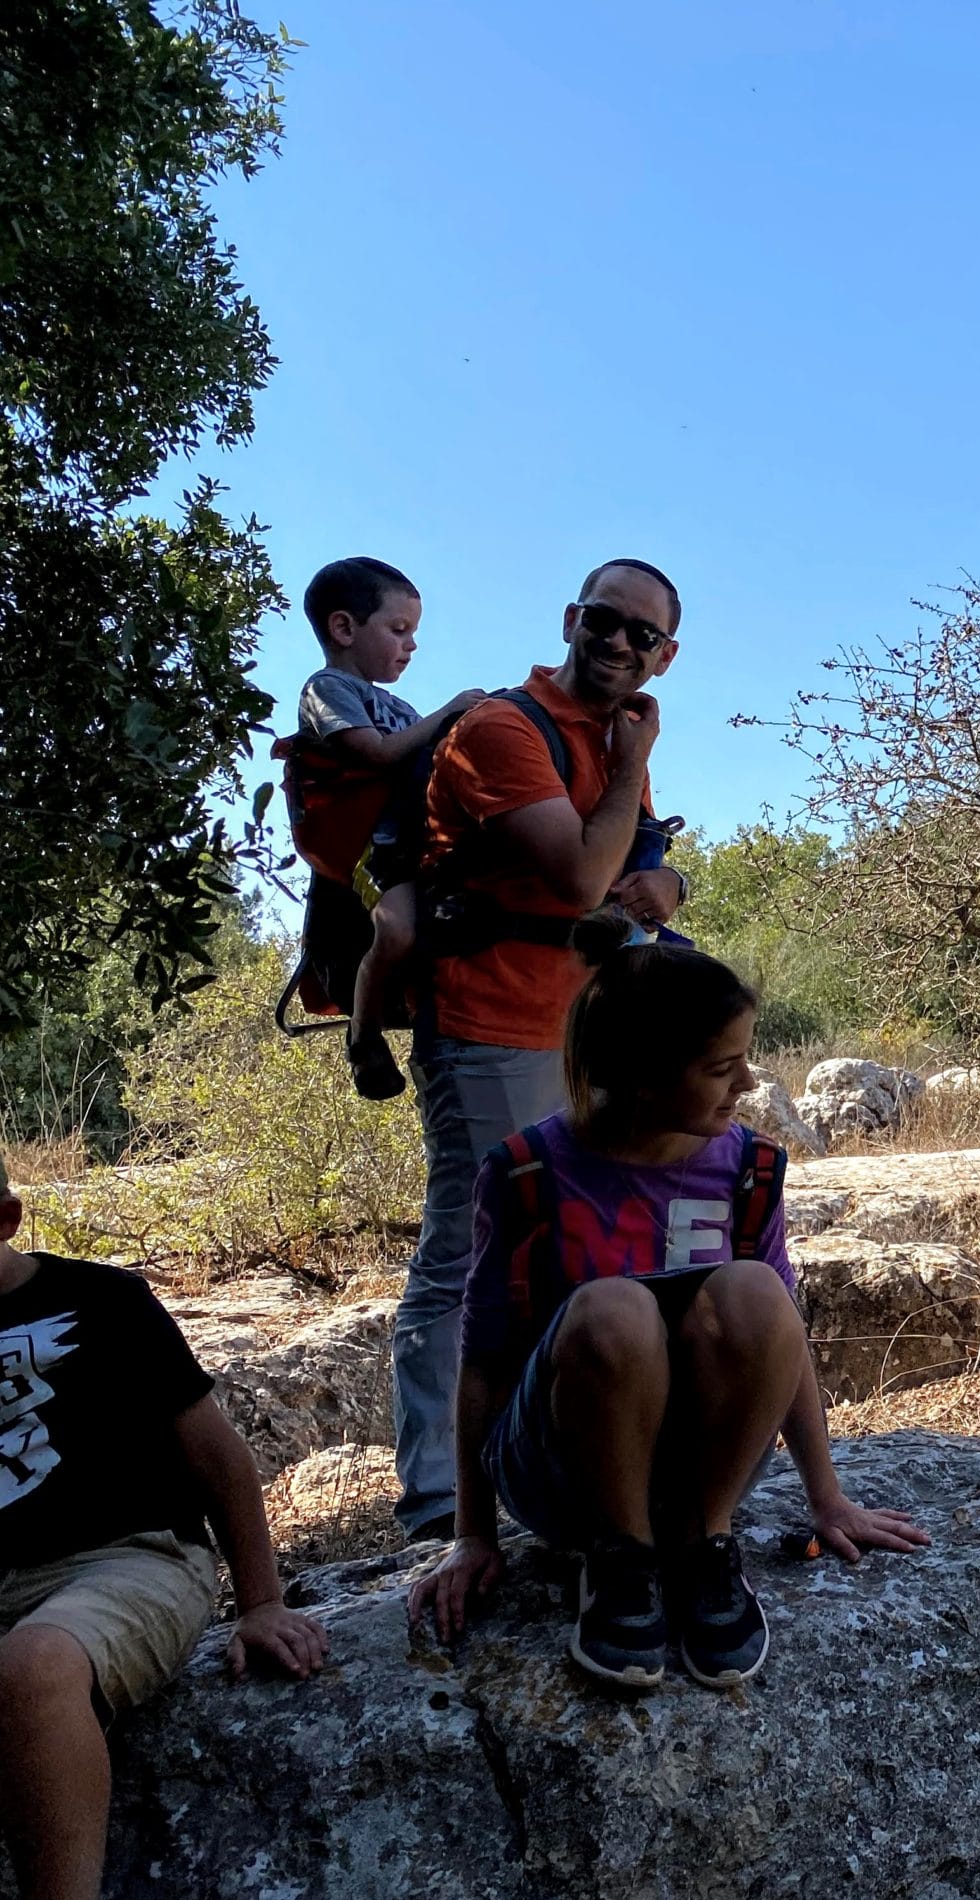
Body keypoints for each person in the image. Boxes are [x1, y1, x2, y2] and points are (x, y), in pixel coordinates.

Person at [408, 923, 928, 1690]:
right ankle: (621, 1560)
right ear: (640, 1075)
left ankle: (700, 1545)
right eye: (722, 1067)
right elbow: (483, 1357)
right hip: (563, 1471)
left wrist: (830, 1497)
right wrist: (472, 1534)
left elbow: (779, 1344)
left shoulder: (749, 1170)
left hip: (700, 1472)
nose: (748, 1085)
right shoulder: (525, 1174)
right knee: (615, 1312)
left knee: (758, 1290)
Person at [0, 1108, 328, 1900]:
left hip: (134, 1560)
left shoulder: (102, 1301)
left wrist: (261, 1602)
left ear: (1, 1222)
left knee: (28, 1676)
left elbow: (216, 1456)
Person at [393, 558, 691, 1542]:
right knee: (473, 1257)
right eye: (604, 621)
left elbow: (633, 870)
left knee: (575, 1256)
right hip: (485, 1028)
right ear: (572, 617)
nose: (617, 642)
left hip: (579, 1033)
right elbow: (574, 881)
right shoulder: (501, 730)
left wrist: (672, 889)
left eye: (640, 635)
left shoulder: (607, 741)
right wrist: (634, 764)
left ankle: (545, 1467)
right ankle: (439, 1500)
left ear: (665, 655)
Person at [279, 556, 485, 1100]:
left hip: (422, 841)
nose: (410, 645)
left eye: (413, 632)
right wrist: (451, 712)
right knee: (397, 928)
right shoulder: (327, 690)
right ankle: (364, 1035)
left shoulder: (399, 706)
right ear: (343, 627)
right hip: (374, 841)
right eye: (399, 630)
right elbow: (374, 755)